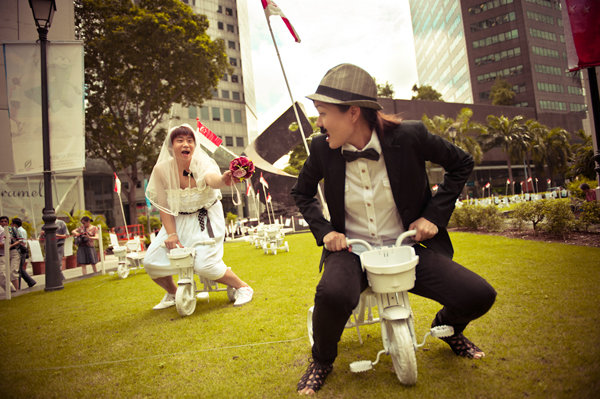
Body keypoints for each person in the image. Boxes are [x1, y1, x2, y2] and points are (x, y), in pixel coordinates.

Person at [291, 64, 497, 394]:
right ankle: (322, 360)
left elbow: (461, 163)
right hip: (352, 251)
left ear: (353, 113)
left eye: (324, 113)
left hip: (407, 247)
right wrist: (326, 230)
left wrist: (433, 215)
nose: (319, 122)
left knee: (479, 294)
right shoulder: (320, 148)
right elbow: (301, 192)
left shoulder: (411, 136)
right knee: (331, 294)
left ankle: (448, 327)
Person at [144, 123, 253, 309]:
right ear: (171, 147)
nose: (185, 144)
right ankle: (172, 292)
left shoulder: (203, 163)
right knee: (151, 262)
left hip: (206, 218)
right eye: (180, 141)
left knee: (204, 266)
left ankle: (243, 287)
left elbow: (213, 179)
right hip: (177, 221)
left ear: (195, 145)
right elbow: (164, 207)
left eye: (189, 141)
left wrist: (225, 179)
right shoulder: (160, 171)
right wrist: (171, 234)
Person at [11, 218, 36, 289]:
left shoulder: (18, 230)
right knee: (19, 268)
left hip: (21, 250)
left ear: (15, 224)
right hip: (23, 250)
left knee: (19, 269)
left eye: (12, 223)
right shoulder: (22, 230)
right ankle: (29, 282)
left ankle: (28, 282)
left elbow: (21, 241)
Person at [0, 216, 19, 293]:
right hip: (8, 253)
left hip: (10, 252)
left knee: (5, 274)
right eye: (2, 221)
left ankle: (12, 291)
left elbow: (5, 244)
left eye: (5, 221)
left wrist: (11, 245)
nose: (3, 223)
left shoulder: (5, 231)